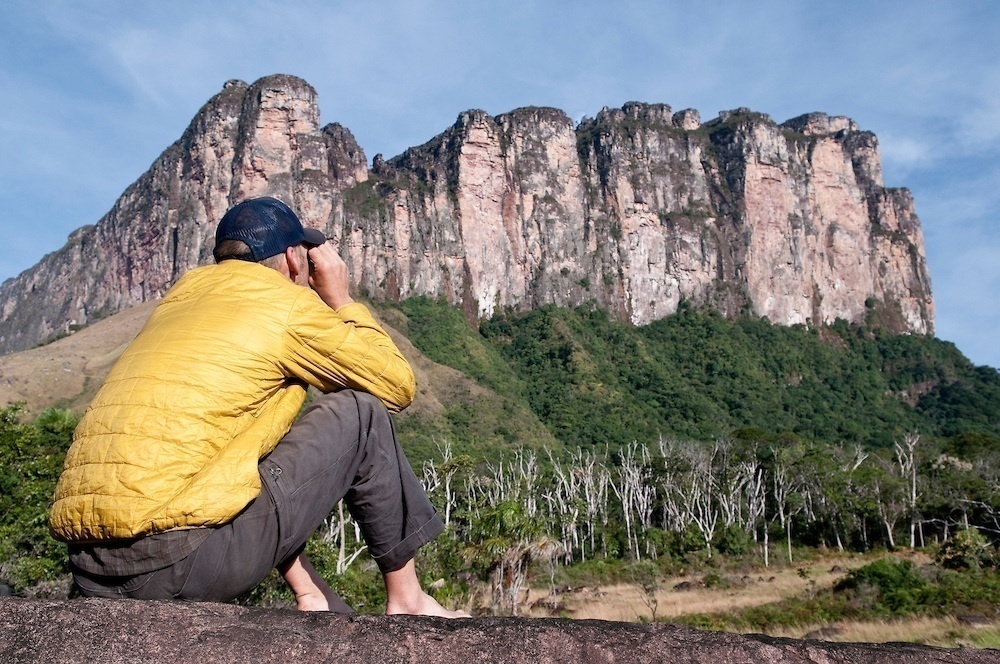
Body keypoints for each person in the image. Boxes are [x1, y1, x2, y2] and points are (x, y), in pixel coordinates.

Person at [49, 196, 466, 617]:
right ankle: (409, 601)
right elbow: (396, 385)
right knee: (361, 412)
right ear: (291, 258)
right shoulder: (285, 305)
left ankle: (311, 593)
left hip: (90, 570)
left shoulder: (177, 302)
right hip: (179, 564)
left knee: (236, 448)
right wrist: (341, 300)